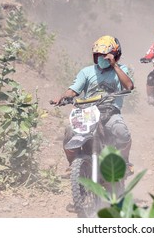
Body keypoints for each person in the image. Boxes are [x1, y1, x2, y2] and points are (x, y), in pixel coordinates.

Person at [52, 35, 134, 174]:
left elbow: (129, 86)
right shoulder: (86, 72)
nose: (102, 58)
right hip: (87, 112)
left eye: (105, 55)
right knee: (70, 131)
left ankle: (124, 162)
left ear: (115, 55)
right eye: (98, 55)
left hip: (110, 112)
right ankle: (73, 166)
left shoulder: (121, 70)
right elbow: (73, 90)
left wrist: (114, 65)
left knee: (121, 131)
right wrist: (63, 97)